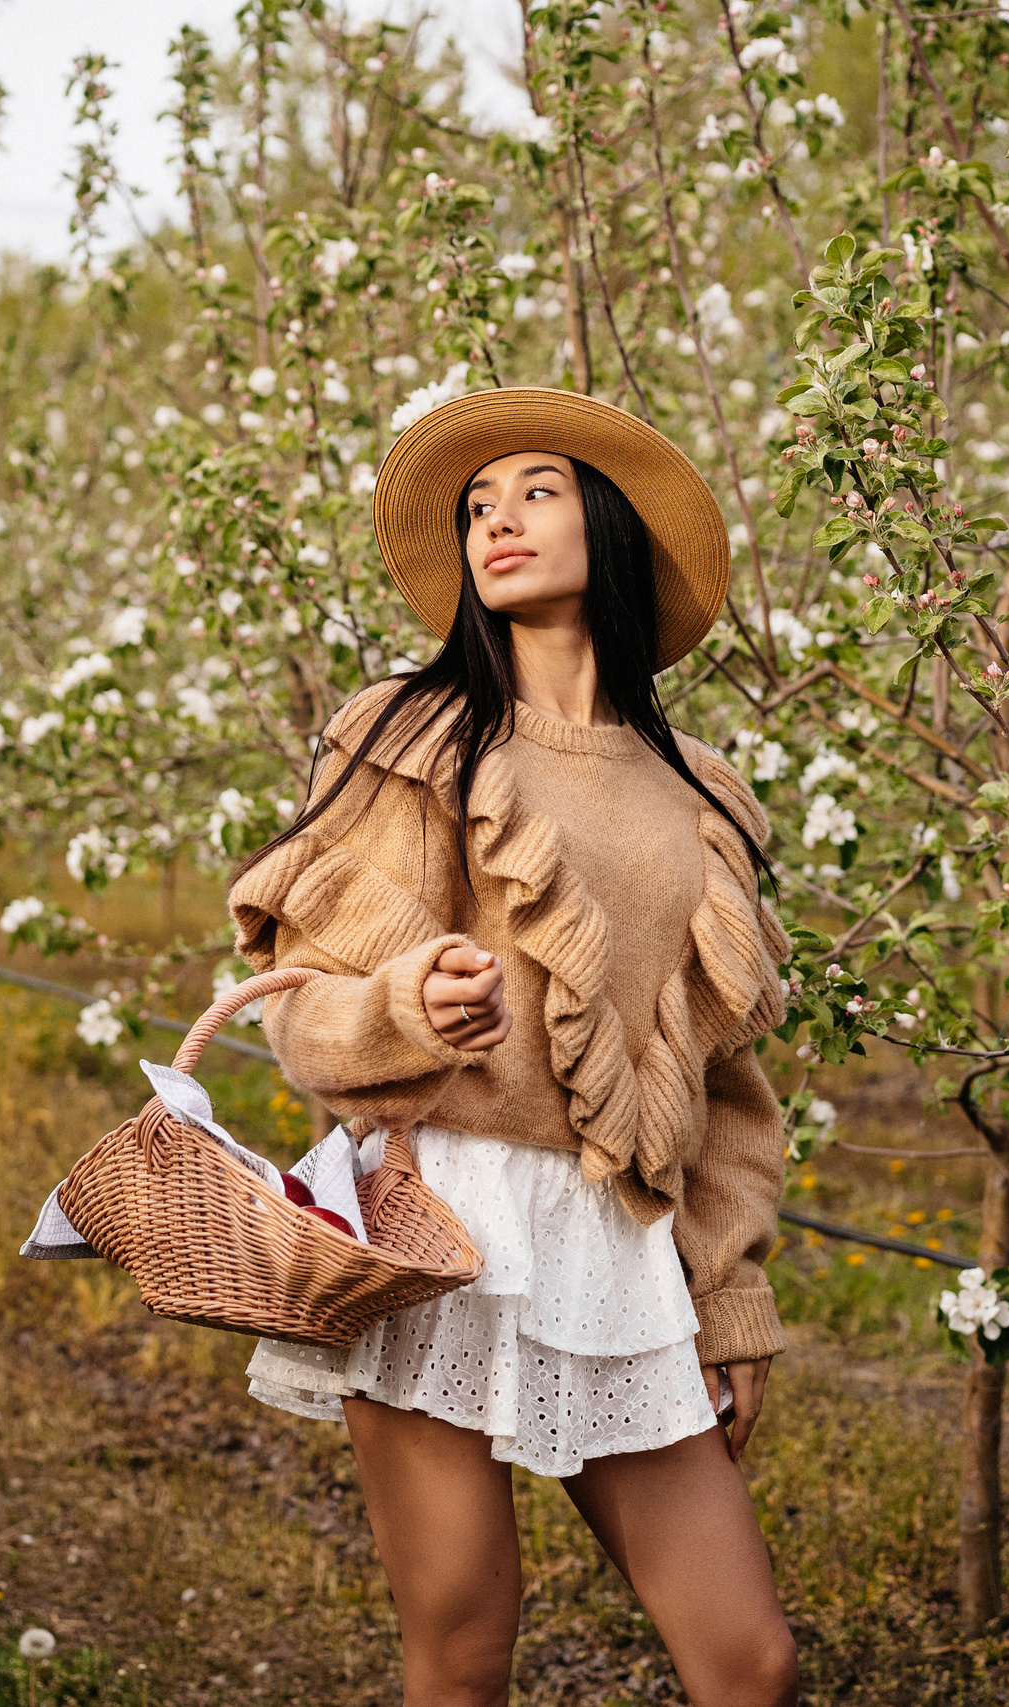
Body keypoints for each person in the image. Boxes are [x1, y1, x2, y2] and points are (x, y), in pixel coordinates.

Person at [227, 387, 800, 1706]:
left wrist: (730, 1301)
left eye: (535, 489)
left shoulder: (699, 792)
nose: (498, 520)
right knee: (466, 1645)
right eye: (478, 504)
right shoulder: (414, 736)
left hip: (619, 1246)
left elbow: (727, 1093)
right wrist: (407, 1010)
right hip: (441, 1225)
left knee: (751, 1660)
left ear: (608, 520)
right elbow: (306, 1012)